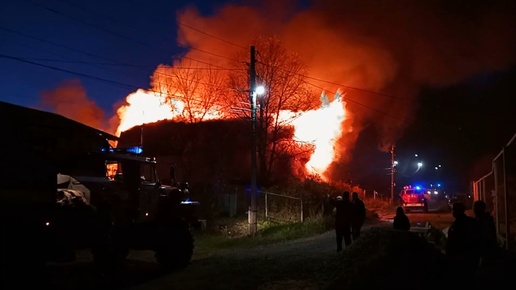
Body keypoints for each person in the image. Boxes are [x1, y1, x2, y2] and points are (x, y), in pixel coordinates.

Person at [445, 202, 481, 287]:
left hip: (460, 260)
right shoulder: (471, 222)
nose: (452, 212)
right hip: (471, 259)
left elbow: (452, 245)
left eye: (453, 210)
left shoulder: (457, 226)